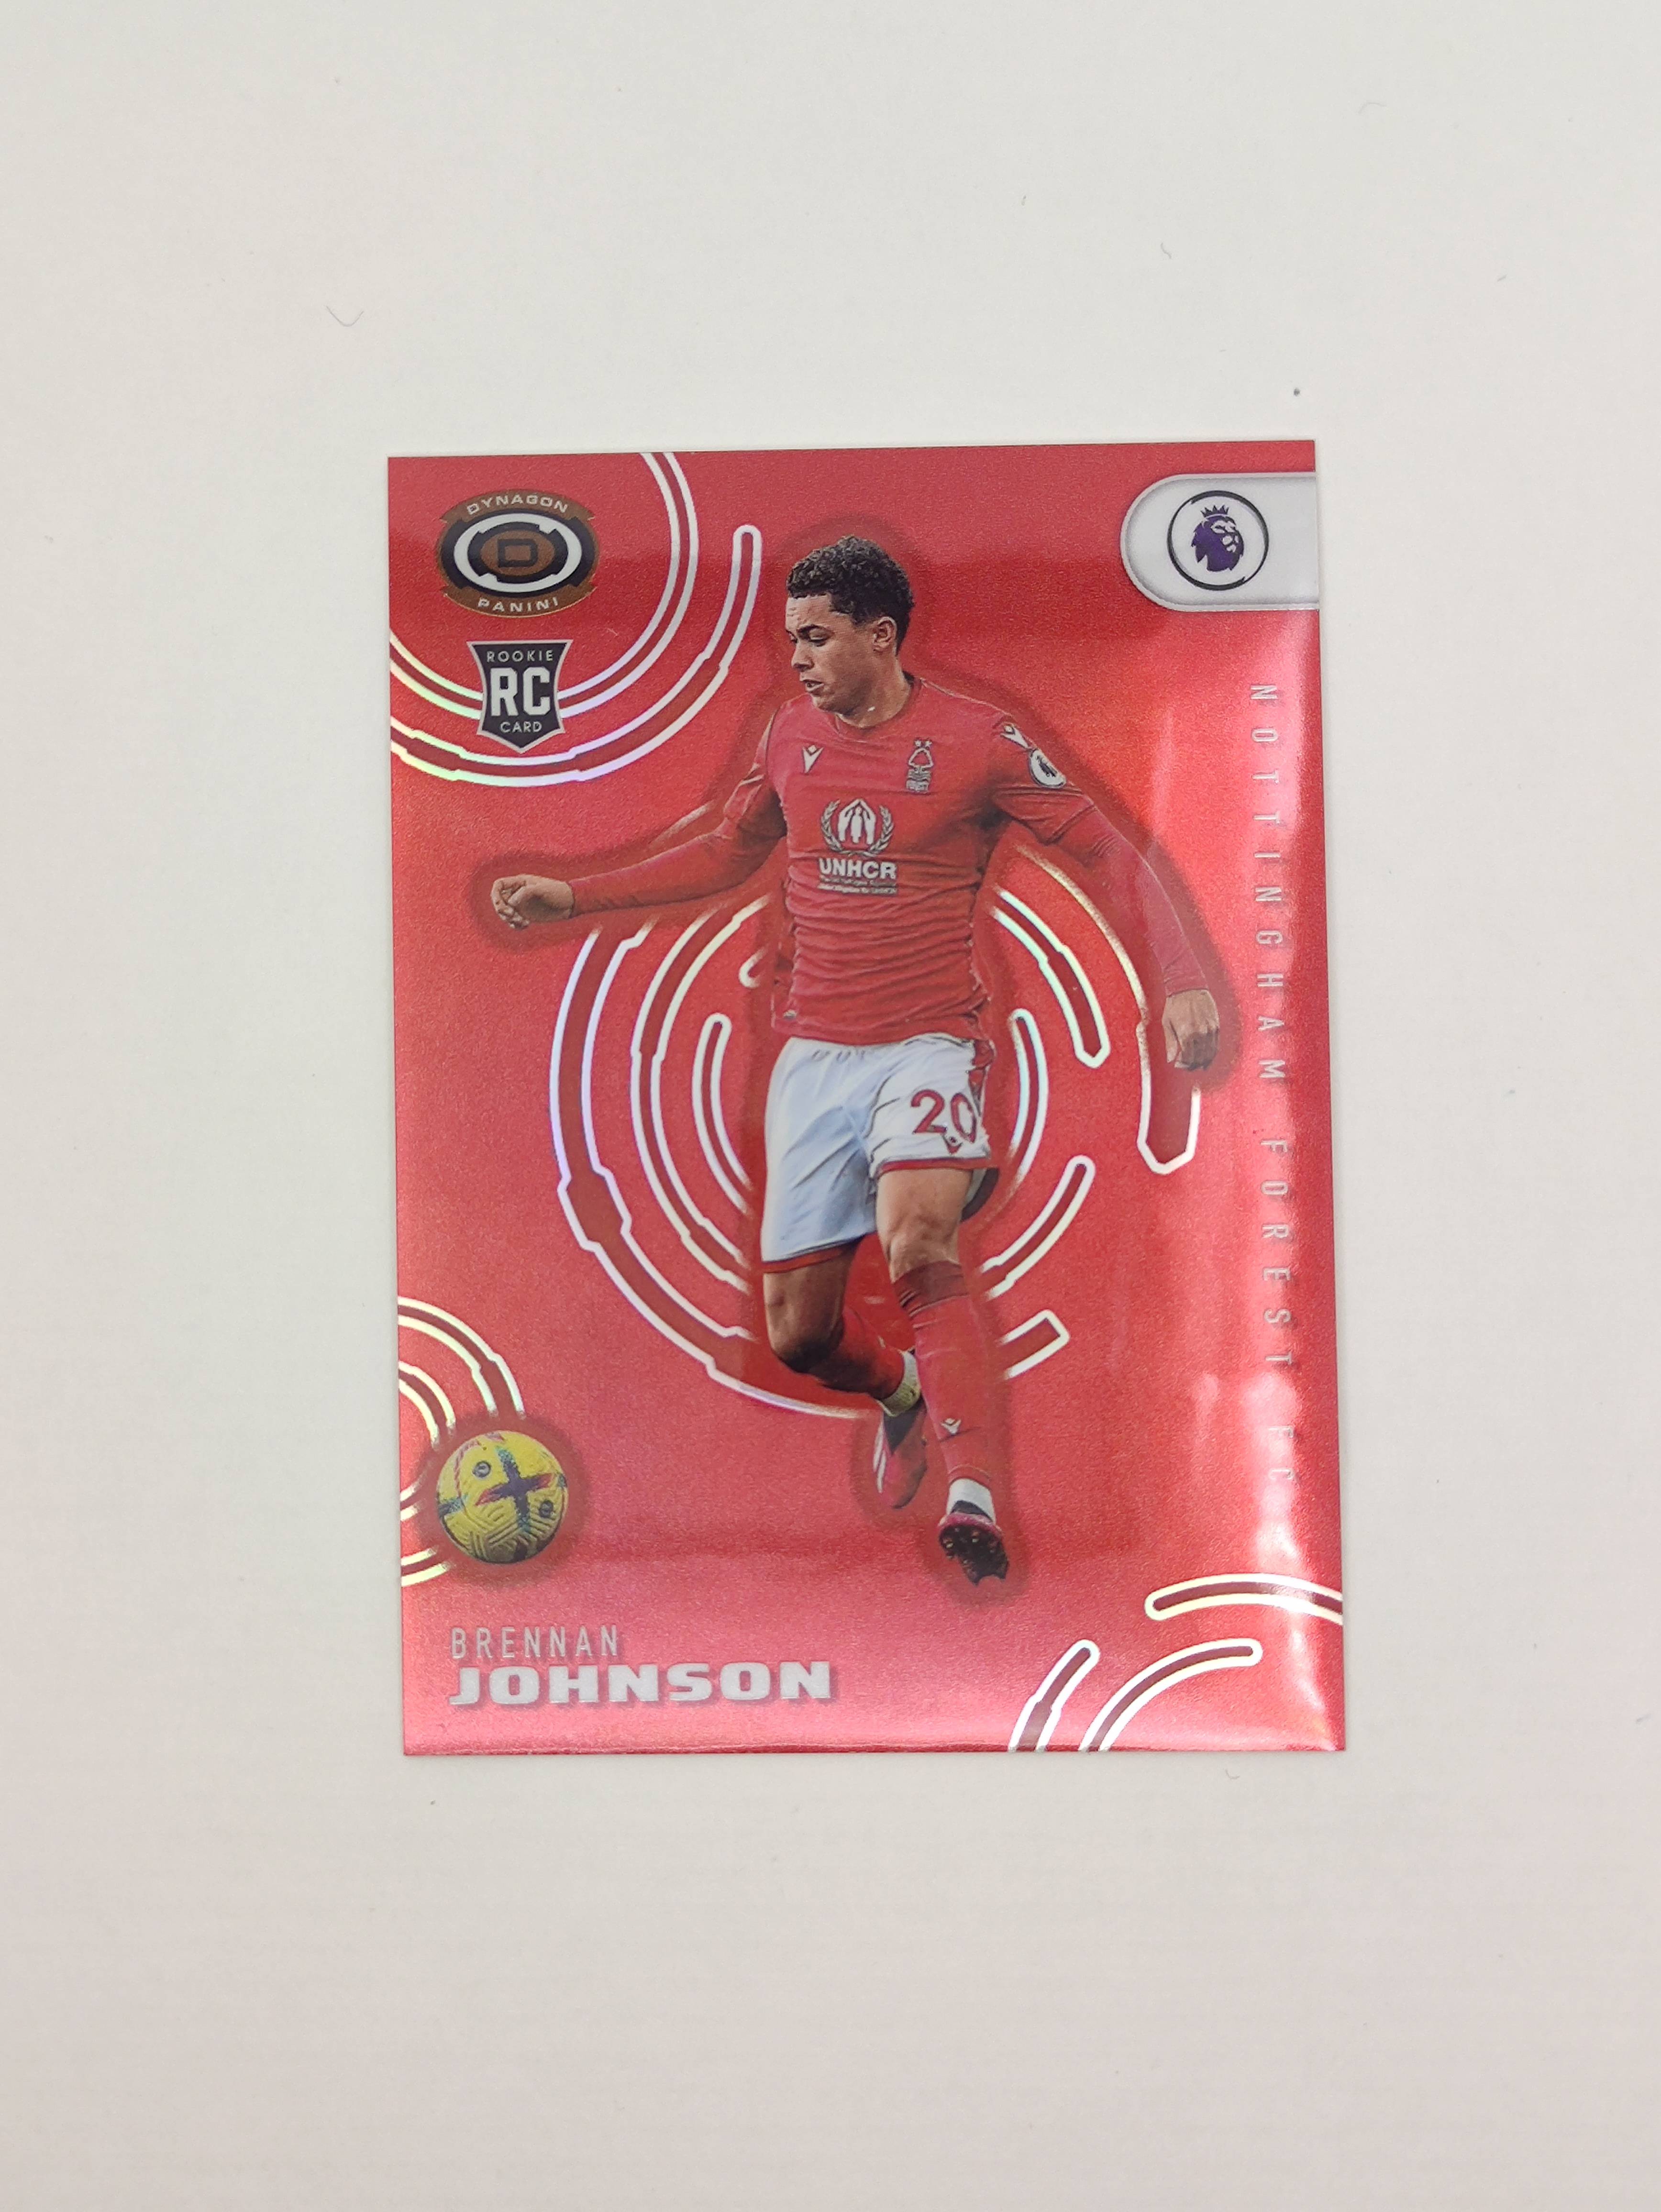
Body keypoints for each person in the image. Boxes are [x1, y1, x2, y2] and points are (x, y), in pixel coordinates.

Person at [493, 537, 1219, 1586]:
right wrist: (578, 895)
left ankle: (972, 1494)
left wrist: (1178, 977)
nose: (796, 658)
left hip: (930, 1042)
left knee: (919, 1240)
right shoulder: (789, 732)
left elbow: (1104, 847)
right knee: (800, 1336)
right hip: (815, 1058)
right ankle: (901, 1396)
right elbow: (727, 851)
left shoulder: (979, 741)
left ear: (880, 637)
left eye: (816, 636)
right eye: (790, 638)